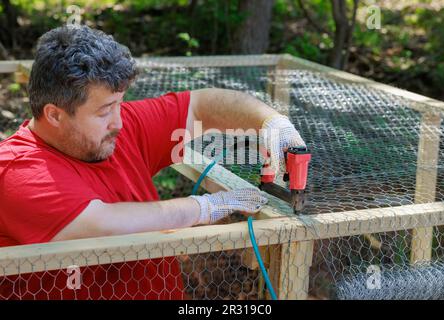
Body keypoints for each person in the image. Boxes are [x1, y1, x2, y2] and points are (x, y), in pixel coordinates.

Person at [0, 25, 306, 300]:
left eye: (120, 103)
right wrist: (207, 206)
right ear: (54, 114)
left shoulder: (118, 128)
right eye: (105, 110)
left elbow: (198, 106)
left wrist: (271, 123)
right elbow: (105, 226)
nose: (119, 122)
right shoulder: (19, 170)